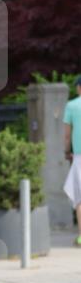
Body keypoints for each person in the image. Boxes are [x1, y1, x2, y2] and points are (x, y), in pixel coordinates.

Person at [63, 75, 81, 247]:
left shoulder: (72, 106)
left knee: (80, 198)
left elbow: (67, 134)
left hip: (80, 156)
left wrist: (66, 150)